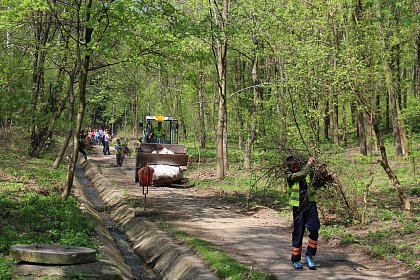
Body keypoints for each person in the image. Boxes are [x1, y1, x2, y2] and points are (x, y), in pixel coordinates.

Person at [285, 155, 319, 270]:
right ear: (289, 168)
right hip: (298, 207)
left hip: (310, 204)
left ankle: (309, 255)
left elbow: (314, 178)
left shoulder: (307, 172)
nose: (295, 167)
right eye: (292, 166)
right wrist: (309, 164)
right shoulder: (291, 176)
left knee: (314, 228)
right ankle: (295, 259)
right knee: (298, 232)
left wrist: (314, 165)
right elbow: (302, 174)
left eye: (296, 165)